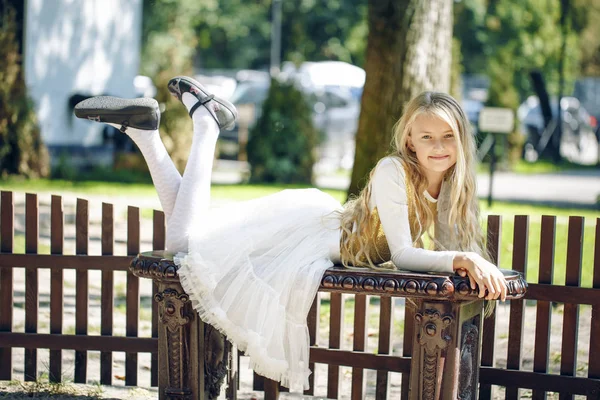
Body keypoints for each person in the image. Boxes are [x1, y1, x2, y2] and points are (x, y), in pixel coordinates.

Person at [74, 77, 507, 391]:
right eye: (426, 135)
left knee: (189, 239)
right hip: (312, 236)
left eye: (448, 136)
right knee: (185, 248)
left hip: (321, 239)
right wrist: (461, 260)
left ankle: (143, 131)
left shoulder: (454, 185)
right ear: (409, 140)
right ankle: (205, 123)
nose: (438, 145)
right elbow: (406, 254)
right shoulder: (396, 170)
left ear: (460, 140)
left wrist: (466, 256)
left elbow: (441, 250)